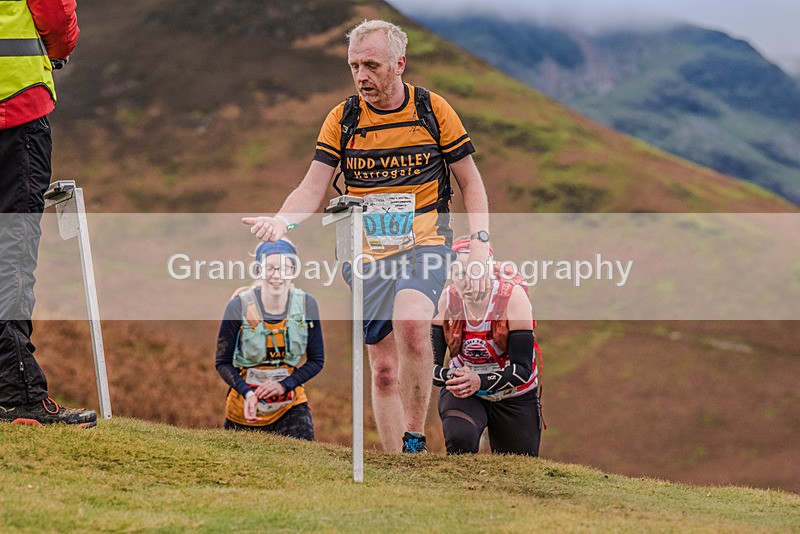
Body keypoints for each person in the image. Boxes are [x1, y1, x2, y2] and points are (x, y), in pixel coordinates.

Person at [242, 20, 491, 453]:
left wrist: (481, 246)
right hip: (365, 253)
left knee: (412, 322)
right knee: (383, 370)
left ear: (399, 64)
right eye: (354, 65)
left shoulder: (432, 110)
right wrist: (282, 222)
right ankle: (397, 464)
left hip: (427, 241)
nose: (361, 76)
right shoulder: (343, 118)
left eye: (371, 65)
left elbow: (471, 181)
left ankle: (414, 439)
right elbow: (312, 186)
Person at [0, 0, 96, 427]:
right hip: (14, 111)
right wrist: (58, 48)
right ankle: (16, 395)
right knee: (11, 256)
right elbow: (54, 15)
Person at [432, 237, 542, 455]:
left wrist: (479, 380)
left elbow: (522, 369)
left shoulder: (513, 297)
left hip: (514, 394)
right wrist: (454, 376)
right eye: (459, 274)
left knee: (517, 471)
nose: (467, 282)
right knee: (460, 441)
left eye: (475, 273)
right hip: (464, 391)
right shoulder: (447, 300)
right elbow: (425, 367)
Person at [215, 240, 324, 440]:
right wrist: (247, 393)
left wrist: (284, 385)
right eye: (270, 268)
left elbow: (317, 360)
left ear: (293, 270)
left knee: (302, 466)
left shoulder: (307, 304)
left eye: (284, 268)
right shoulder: (238, 306)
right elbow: (222, 362)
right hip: (244, 409)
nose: (276, 275)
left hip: (291, 408)